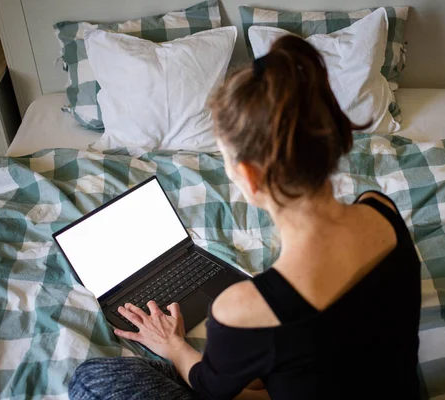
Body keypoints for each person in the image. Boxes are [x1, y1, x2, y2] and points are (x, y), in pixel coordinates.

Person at [69, 35, 421, 400]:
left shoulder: (244, 309)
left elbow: (211, 387)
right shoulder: (382, 210)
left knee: (91, 380)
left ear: (250, 177)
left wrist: (173, 345)